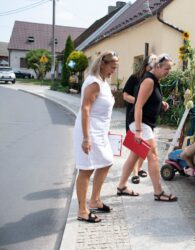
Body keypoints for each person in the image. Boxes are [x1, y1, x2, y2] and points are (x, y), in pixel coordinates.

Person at [117, 53, 178, 202]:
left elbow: (148, 100)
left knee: (135, 155)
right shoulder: (149, 81)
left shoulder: (154, 80)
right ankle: (158, 192)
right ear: (157, 66)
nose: (168, 72)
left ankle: (121, 186)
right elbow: (138, 105)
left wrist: (160, 103)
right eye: (166, 69)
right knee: (153, 156)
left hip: (144, 123)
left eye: (169, 69)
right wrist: (138, 130)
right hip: (141, 123)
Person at [73, 51, 118, 223]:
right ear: (103, 64)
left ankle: (94, 200)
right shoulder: (94, 83)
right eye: (112, 67)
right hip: (89, 131)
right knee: (86, 169)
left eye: (115, 67)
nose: (114, 70)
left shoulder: (103, 81)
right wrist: (86, 138)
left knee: (106, 161)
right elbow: (85, 110)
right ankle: (82, 210)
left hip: (100, 131)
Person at [123, 54, 157, 184]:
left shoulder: (153, 80)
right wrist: (138, 101)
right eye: (151, 66)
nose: (153, 69)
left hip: (148, 117)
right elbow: (125, 95)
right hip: (135, 114)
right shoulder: (135, 78)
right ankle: (135, 173)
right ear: (146, 65)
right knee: (137, 145)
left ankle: (139, 168)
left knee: (146, 145)